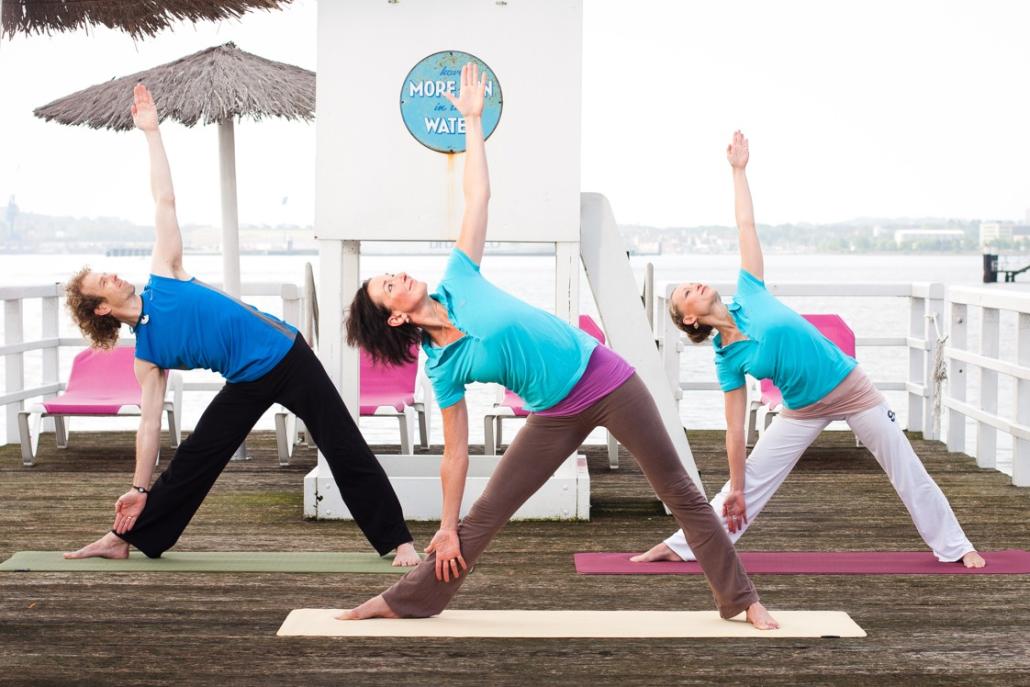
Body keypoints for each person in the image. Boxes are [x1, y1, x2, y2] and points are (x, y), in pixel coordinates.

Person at [337, 64, 779, 628]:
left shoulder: (459, 276)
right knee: (484, 514)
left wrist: (473, 120)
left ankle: (743, 601)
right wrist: (444, 526)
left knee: (683, 494)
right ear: (396, 316)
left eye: (391, 274)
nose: (397, 276)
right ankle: (404, 601)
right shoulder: (442, 366)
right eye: (387, 286)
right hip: (554, 414)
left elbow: (478, 197)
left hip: (609, 381)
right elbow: (454, 453)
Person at [62, 84, 419, 567]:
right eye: (104, 280)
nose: (115, 274)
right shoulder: (148, 354)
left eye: (109, 270)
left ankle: (398, 542)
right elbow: (148, 426)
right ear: (101, 308)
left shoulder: (164, 274)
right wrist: (137, 487)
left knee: (341, 442)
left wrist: (151, 133)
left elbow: (164, 200)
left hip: (288, 356)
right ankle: (126, 538)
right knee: (195, 457)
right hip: (246, 380)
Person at [632, 131, 985, 569]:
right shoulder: (727, 359)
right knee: (748, 482)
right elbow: (735, 431)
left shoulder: (750, 291)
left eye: (695, 281)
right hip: (802, 409)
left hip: (851, 388)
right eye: (688, 291)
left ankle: (956, 546)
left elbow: (746, 226)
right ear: (690, 318)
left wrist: (739, 172)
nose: (697, 284)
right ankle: (683, 546)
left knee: (905, 465)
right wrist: (738, 485)